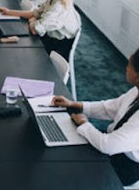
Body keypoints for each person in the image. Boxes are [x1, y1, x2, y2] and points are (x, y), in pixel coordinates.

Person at [52, 48, 139, 186]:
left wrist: (84, 124)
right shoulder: (136, 90)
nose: (126, 67)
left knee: (68, 168)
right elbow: (110, 108)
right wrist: (75, 104)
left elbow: (107, 145)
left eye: (129, 65)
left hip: (124, 166)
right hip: (113, 145)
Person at [0, 0, 81, 60]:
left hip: (57, 46)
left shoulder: (57, 6)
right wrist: (9, 12)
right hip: (51, 36)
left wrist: (32, 20)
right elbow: (35, 13)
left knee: (18, 50)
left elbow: (35, 29)